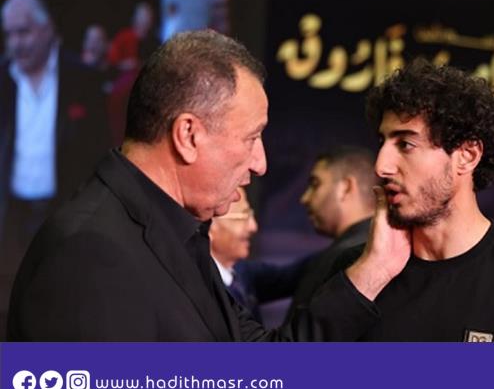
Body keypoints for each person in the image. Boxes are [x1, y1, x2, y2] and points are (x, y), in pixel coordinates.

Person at [7, 30, 410, 342]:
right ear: (188, 135)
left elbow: (260, 371)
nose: (260, 163)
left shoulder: (179, 234)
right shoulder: (90, 254)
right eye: (252, 137)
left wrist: (373, 271)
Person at [334, 58, 494, 341]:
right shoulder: (355, 274)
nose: (381, 166)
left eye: (405, 144)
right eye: (382, 142)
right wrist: (370, 273)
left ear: (467, 156)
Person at [0, 0, 109, 340]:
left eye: (24, 31)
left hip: (63, 212)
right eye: (9, 34)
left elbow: (101, 152)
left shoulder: (83, 80)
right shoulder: (2, 80)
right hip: (12, 216)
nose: (16, 43)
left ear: (47, 28)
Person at [285, 146, 376, 322]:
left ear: (346, 188)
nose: (305, 198)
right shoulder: (377, 251)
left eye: (315, 184)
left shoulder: (343, 257)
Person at [210, 186, 306, 323]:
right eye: (243, 217)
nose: (253, 227)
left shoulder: (241, 272)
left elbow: (296, 274)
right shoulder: (200, 288)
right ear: (209, 227)